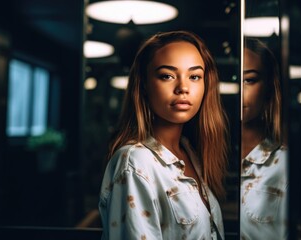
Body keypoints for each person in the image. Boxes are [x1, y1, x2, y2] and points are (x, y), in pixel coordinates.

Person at [99, 30, 229, 239]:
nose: (183, 88)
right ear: (144, 86)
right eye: (167, 76)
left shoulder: (189, 152)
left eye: (194, 76)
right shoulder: (135, 161)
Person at [240, 37, 288, 239]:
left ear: (268, 87)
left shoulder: (284, 163)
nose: (240, 90)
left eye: (249, 80)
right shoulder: (197, 158)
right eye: (235, 78)